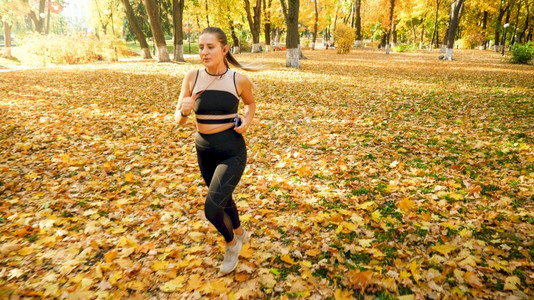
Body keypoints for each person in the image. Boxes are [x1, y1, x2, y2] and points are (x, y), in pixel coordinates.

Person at [175, 27, 256, 274]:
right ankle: (240, 232)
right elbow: (178, 119)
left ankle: (231, 244)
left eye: (210, 47)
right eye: (201, 47)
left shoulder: (237, 80)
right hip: (204, 151)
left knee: (212, 207)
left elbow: (250, 104)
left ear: (224, 49)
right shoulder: (192, 77)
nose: (204, 52)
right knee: (223, 197)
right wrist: (185, 111)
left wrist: (246, 123)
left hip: (232, 150)